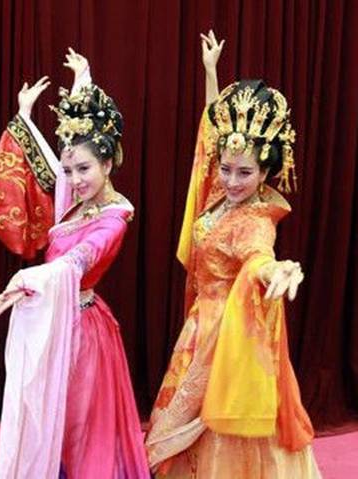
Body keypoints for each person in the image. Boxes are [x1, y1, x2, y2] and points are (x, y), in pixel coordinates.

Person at [144, 31, 322, 478]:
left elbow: (258, 257)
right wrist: (211, 74)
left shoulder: (254, 220)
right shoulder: (218, 196)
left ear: (265, 173)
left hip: (228, 335)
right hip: (199, 326)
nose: (231, 180)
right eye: (226, 169)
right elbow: (211, 136)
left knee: (222, 424)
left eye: (244, 173)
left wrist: (276, 271)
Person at [0, 49, 150, 479]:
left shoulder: (114, 218)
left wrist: (28, 279)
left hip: (82, 333)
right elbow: (58, 159)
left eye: (84, 169)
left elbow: (76, 262)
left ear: (108, 164)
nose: (74, 180)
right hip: (53, 322)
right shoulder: (74, 201)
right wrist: (39, 108)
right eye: (70, 170)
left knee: (78, 427)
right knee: (52, 423)